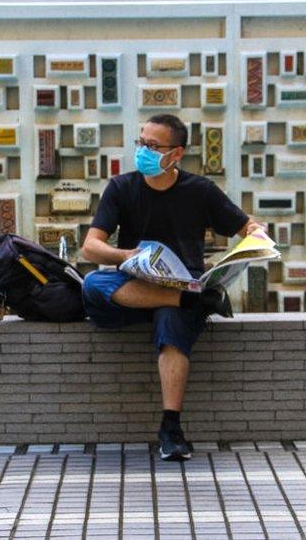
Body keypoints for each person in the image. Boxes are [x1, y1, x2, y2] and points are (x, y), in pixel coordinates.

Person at [80, 114, 263, 462]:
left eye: (152, 146)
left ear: (175, 154)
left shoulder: (200, 191)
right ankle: (193, 300)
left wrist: (257, 236)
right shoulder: (122, 187)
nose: (143, 152)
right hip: (138, 283)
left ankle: (171, 429)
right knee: (92, 283)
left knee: (171, 323)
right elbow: (91, 247)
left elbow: (246, 226)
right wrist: (125, 254)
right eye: (141, 143)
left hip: (183, 281)